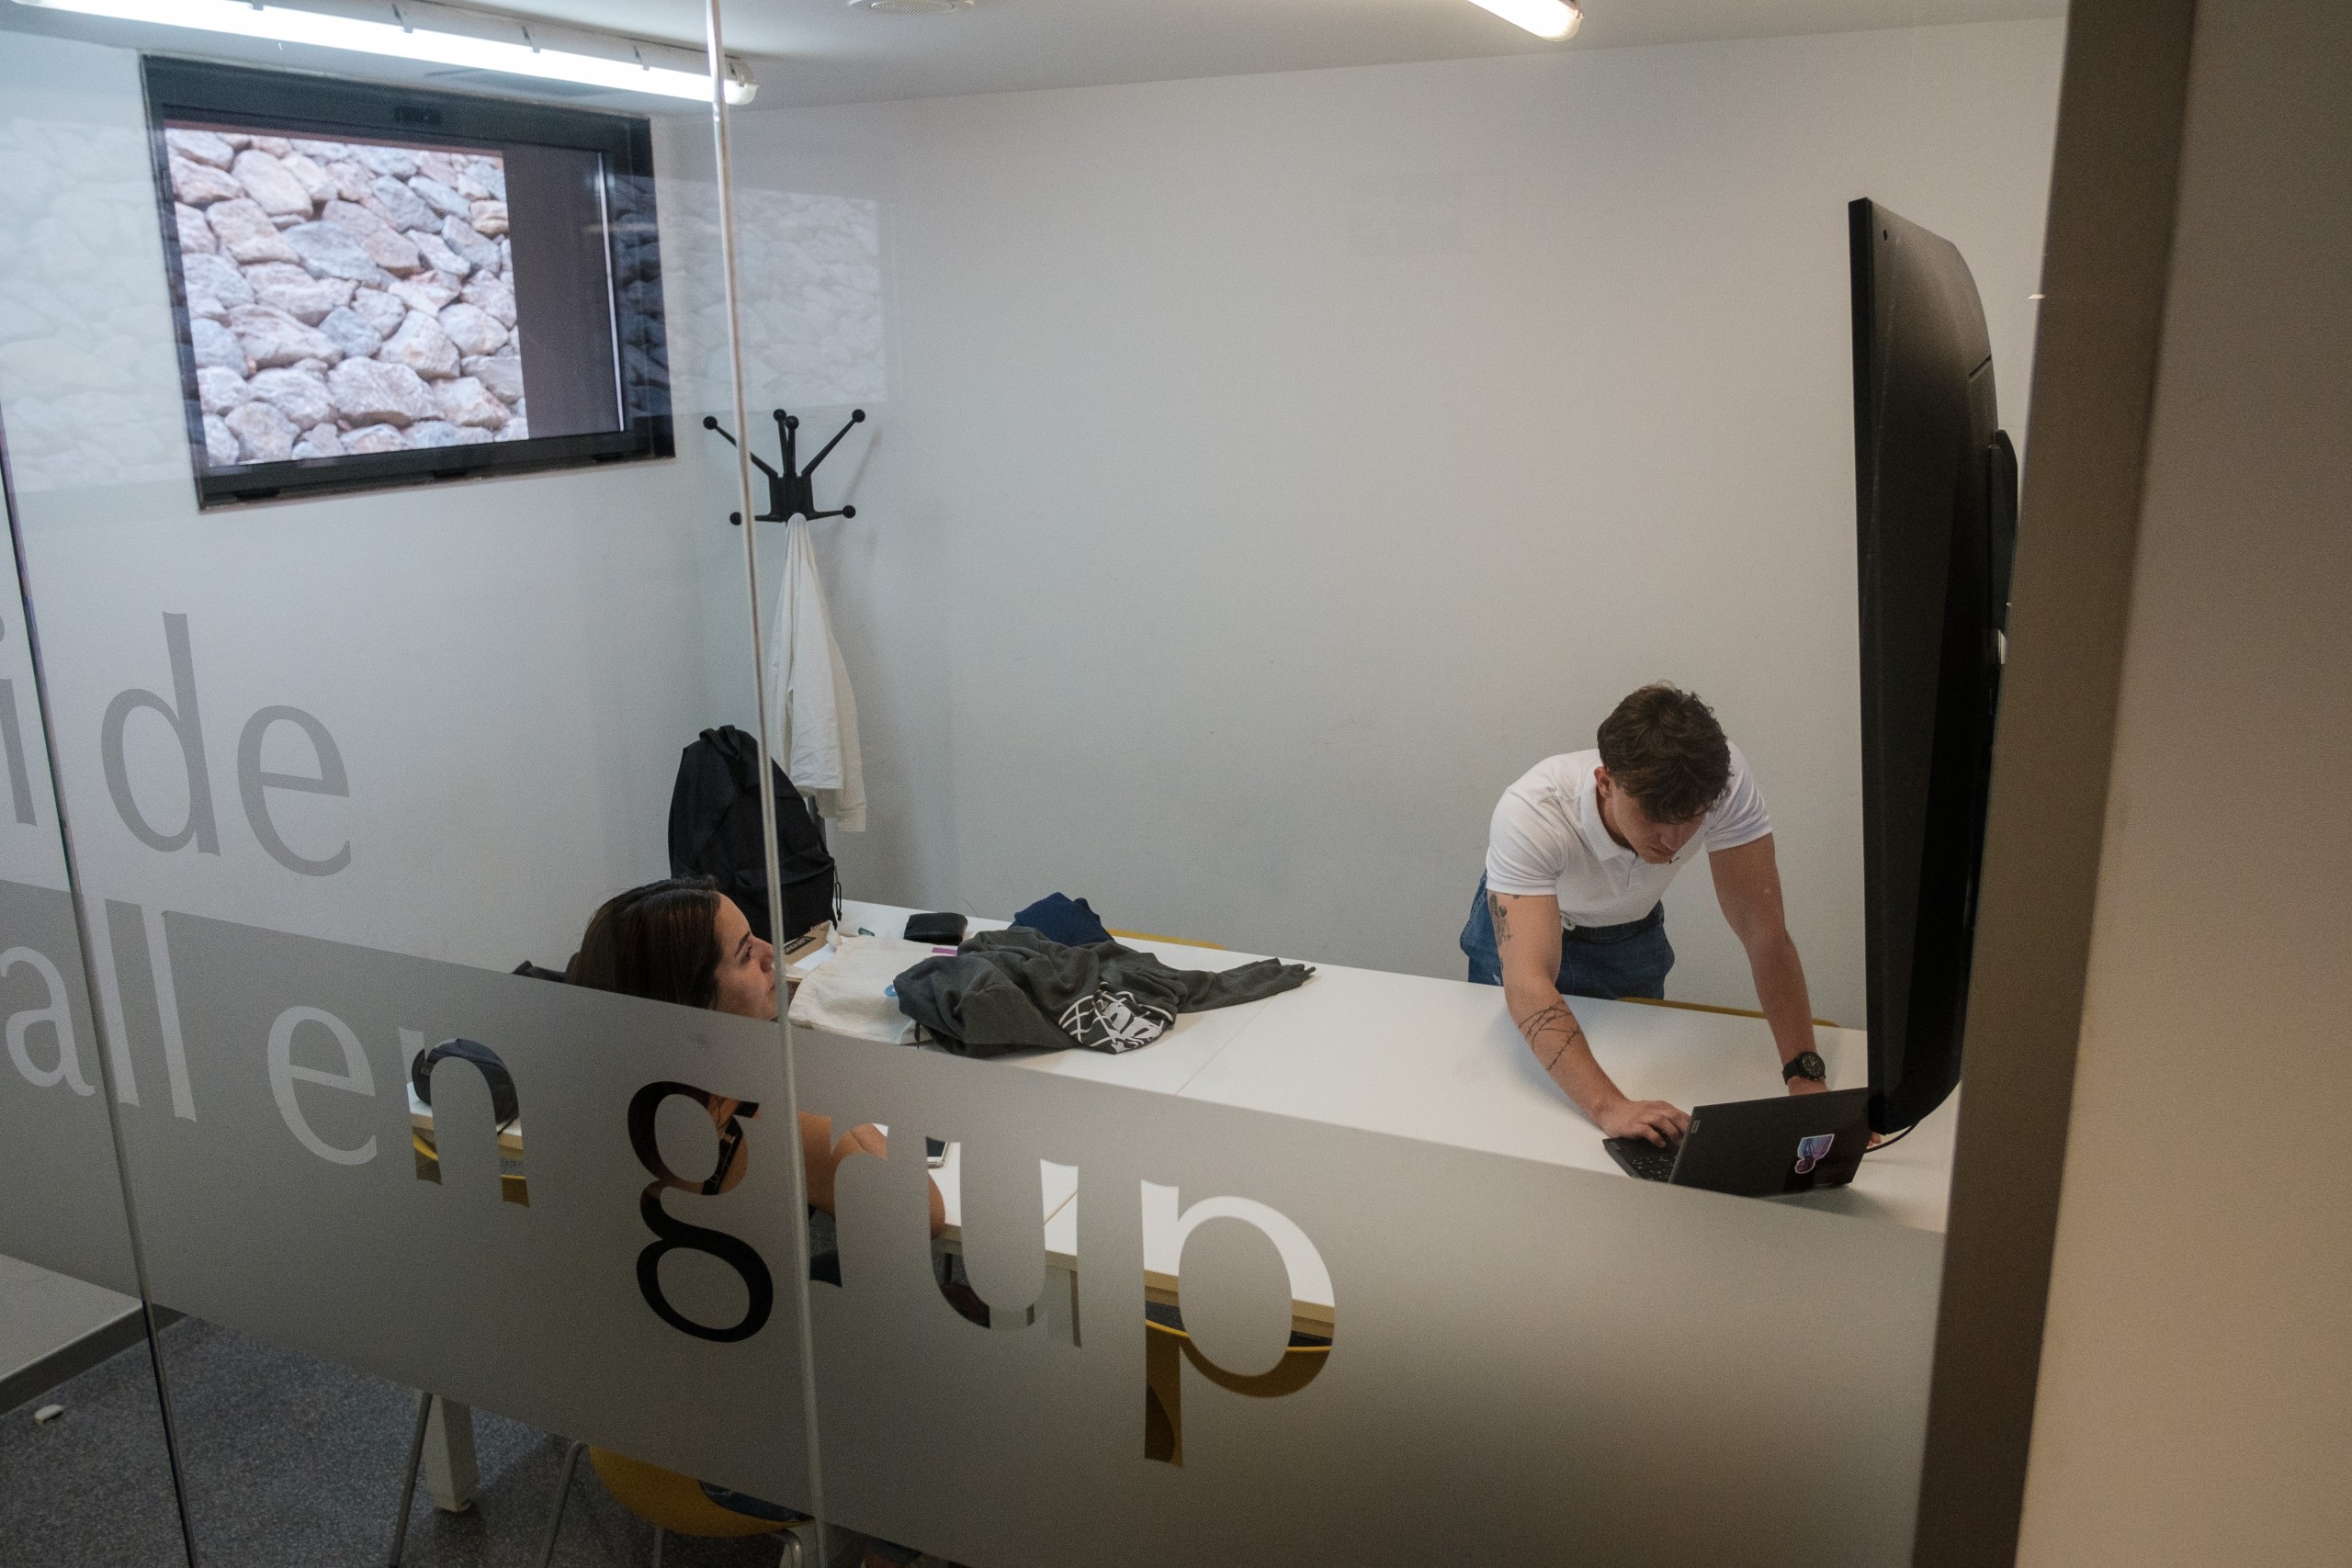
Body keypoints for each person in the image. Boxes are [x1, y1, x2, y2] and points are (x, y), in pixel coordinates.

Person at [570, 876, 946, 1568]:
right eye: (746, 953)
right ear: (694, 1004)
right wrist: (804, 1075)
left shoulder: (581, 1101)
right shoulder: (756, 1114)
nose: (774, 954)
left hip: (622, 1420)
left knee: (868, 1283)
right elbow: (920, 1212)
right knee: (942, 1330)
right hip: (742, 1452)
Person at [1461, 684, 1827, 1147]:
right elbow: (1529, 983)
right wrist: (1610, 1107)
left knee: (1638, 1071)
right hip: (1531, 920)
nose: (1673, 840)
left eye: (1691, 818)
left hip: (1629, 934)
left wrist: (1805, 1078)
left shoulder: (1722, 780)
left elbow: (1765, 933)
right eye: (1655, 816)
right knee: (1510, 1102)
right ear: (1605, 782)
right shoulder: (1532, 811)